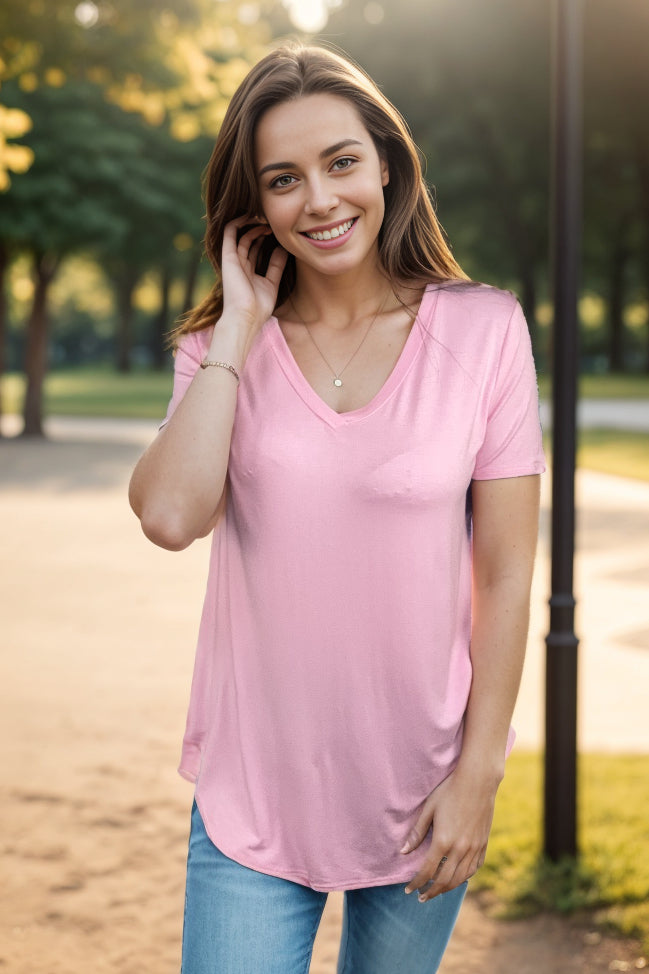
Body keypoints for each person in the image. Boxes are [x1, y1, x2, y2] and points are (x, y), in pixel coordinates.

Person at [129, 41, 545, 974]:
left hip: (421, 785)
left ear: (386, 166)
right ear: (255, 205)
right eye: (283, 179)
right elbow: (167, 517)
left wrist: (478, 776)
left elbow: (508, 572)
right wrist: (237, 328)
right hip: (254, 792)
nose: (317, 200)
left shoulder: (484, 330)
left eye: (340, 162)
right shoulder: (216, 352)